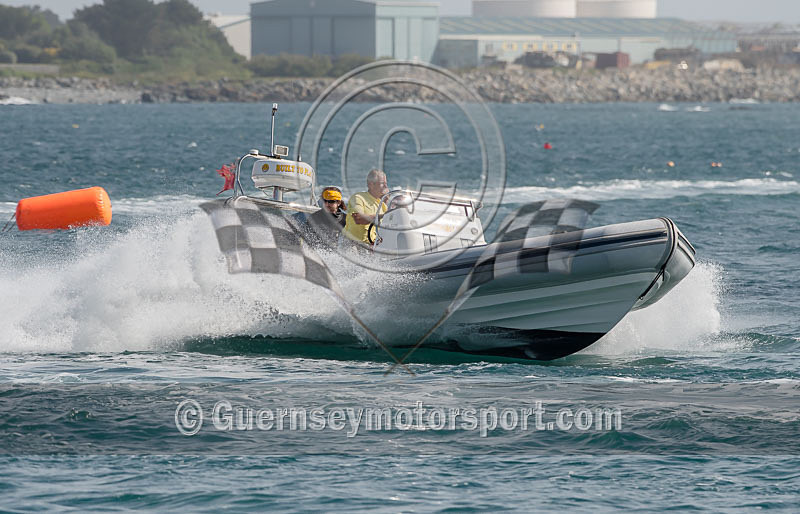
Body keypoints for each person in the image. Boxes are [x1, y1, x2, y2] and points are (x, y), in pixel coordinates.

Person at [343, 169, 389, 246]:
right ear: (371, 184)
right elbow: (358, 219)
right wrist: (383, 215)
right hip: (351, 243)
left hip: (370, 245)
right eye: (382, 183)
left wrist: (387, 201)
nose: (386, 186)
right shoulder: (358, 198)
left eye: (386, 183)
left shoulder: (383, 205)